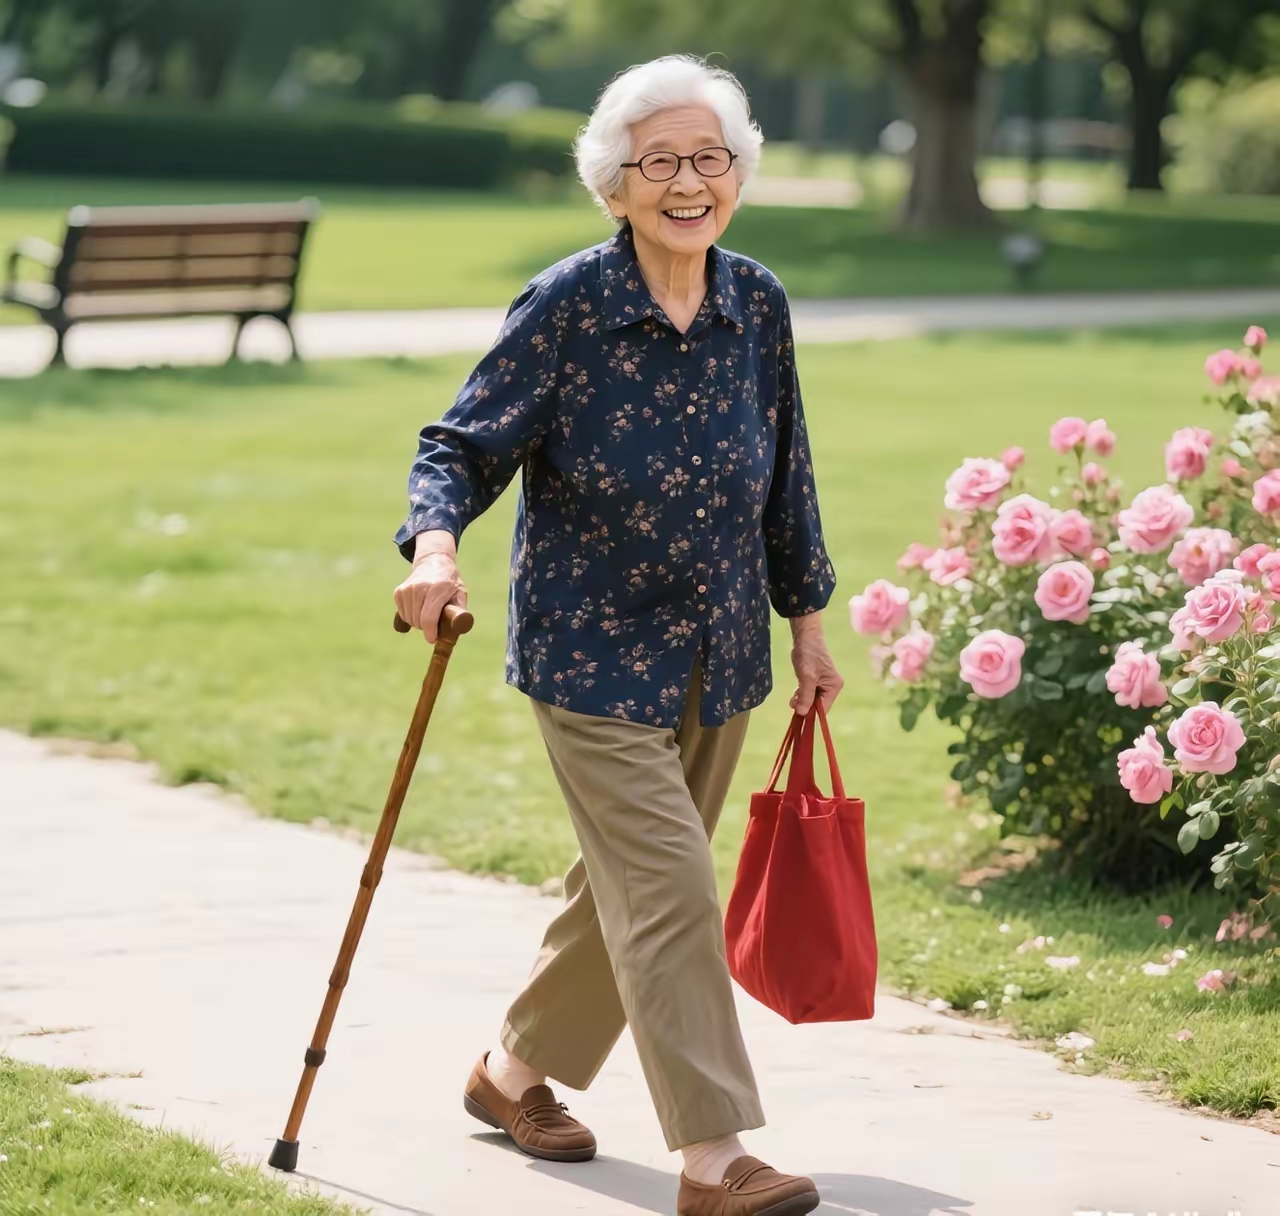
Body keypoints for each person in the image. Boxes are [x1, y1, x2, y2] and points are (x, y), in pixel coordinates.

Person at [392, 54, 842, 1216]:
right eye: (659, 164)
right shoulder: (568, 304)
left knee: (626, 891)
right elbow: (459, 444)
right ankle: (713, 1154)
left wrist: (807, 625)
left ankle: (508, 1076)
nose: (687, 183)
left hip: (723, 651)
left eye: (709, 159)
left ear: (736, 174)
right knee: (673, 888)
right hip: (588, 650)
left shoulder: (757, 303)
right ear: (614, 186)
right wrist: (434, 553)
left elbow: (784, 470)